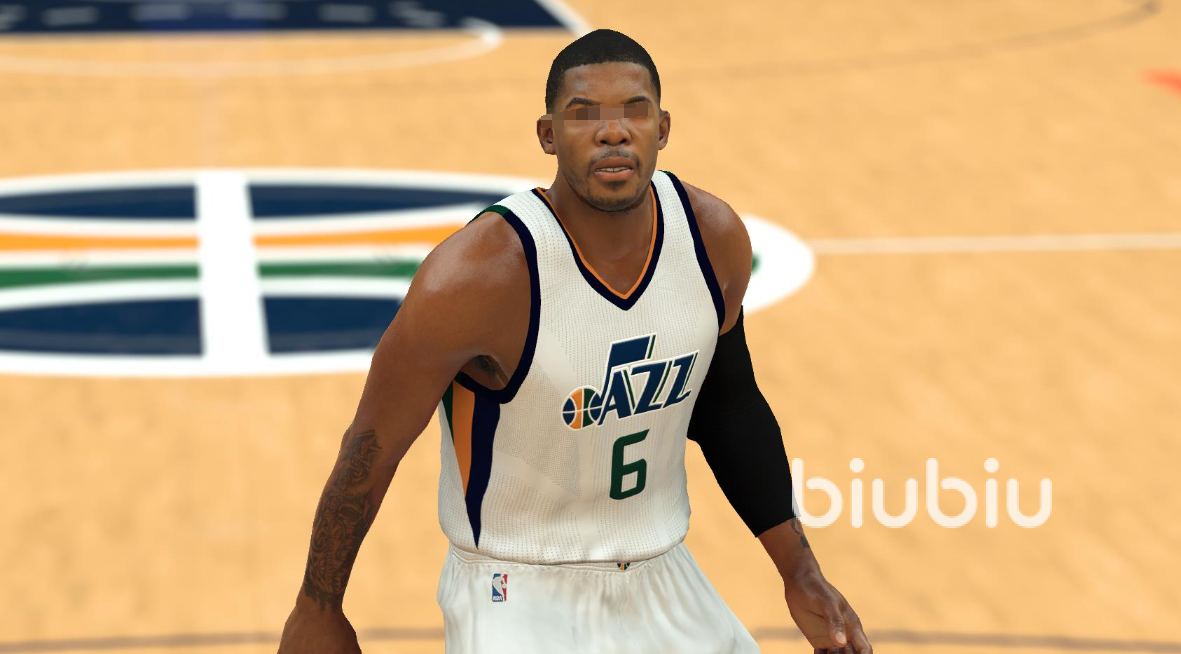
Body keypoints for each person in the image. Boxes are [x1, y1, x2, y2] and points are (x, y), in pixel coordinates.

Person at [277, 28, 872, 654]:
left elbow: (729, 408)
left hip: (663, 568)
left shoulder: (712, 238)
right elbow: (372, 446)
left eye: (634, 110)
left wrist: (799, 570)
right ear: (548, 134)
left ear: (663, 128)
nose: (613, 132)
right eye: (584, 114)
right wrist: (319, 606)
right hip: (514, 584)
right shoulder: (477, 276)